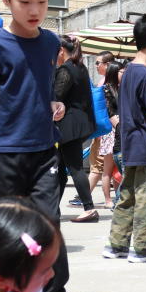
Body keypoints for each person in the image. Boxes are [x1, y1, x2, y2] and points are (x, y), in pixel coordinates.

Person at [0, 0, 82, 292]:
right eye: (25, 1)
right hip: (5, 152)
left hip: (45, 150)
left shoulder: (49, 43)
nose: (35, 10)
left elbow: (41, 89)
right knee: (3, 229)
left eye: (42, 2)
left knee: (49, 223)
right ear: (5, 0)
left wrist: (54, 104)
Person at [103, 13, 146, 263]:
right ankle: (142, 248)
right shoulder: (145, 74)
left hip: (131, 145)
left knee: (128, 195)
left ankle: (117, 244)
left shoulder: (127, 72)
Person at [54, 35, 98, 224]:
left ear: (62, 51)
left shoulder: (66, 69)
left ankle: (89, 208)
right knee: (60, 169)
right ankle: (51, 208)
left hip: (70, 124)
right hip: (79, 123)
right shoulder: (80, 67)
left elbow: (57, 94)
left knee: (75, 168)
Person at [76, 50, 114, 206]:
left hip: (104, 130)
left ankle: (85, 197)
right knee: (101, 167)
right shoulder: (105, 82)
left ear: (108, 64)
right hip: (106, 131)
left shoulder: (105, 83)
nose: (96, 65)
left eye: (99, 63)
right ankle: (87, 197)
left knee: (99, 166)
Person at [98, 61, 122, 210]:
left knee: (119, 169)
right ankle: (108, 199)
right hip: (110, 131)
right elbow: (108, 111)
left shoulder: (122, 88)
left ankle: (117, 197)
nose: (123, 74)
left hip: (120, 130)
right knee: (107, 169)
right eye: (121, 72)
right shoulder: (106, 89)